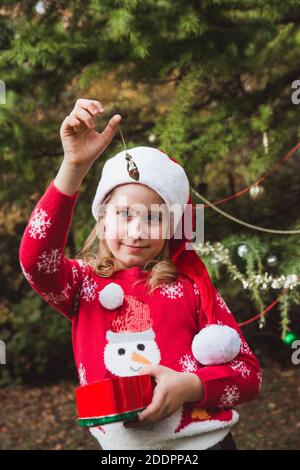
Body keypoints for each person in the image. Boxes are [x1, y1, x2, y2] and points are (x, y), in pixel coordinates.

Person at [19, 98, 262, 451]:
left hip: (205, 445)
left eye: (153, 218)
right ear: (102, 218)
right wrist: (73, 166)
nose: (137, 231)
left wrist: (191, 386)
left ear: (171, 227)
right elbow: (34, 257)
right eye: (124, 214)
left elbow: (248, 374)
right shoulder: (81, 286)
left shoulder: (190, 289)